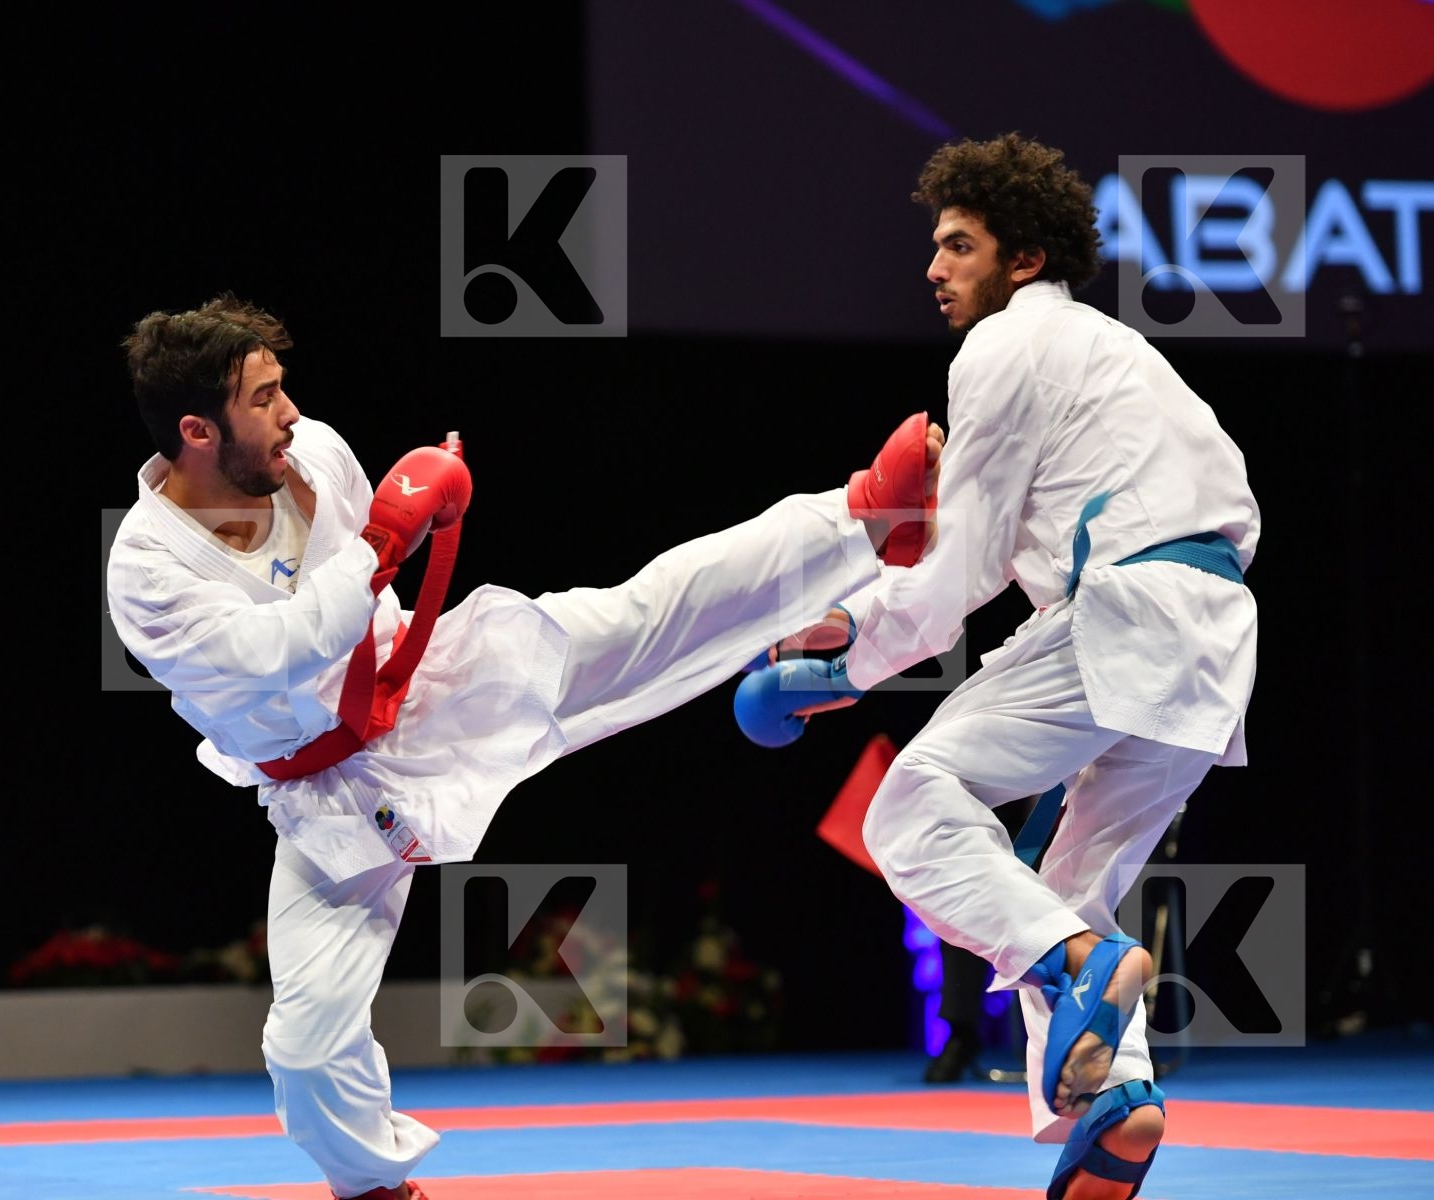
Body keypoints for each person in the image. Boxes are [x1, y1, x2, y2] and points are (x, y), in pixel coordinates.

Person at [105, 294, 940, 1200]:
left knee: (641, 614)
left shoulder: (315, 455)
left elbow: (370, 601)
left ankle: (868, 513)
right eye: (264, 398)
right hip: (329, 796)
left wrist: (391, 545)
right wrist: (384, 542)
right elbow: (281, 651)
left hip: (434, 687)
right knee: (304, 1048)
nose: (291, 413)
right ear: (197, 430)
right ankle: (373, 1184)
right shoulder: (149, 572)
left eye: (282, 387)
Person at [826, 133, 1259, 1199]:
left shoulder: (1005, 345)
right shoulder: (1119, 354)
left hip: (1128, 610)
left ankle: (1087, 976)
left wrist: (843, 660)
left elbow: (961, 571)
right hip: (1215, 635)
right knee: (1062, 894)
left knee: (912, 803)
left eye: (959, 246)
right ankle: (1118, 1104)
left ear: (1023, 260)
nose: (935, 268)